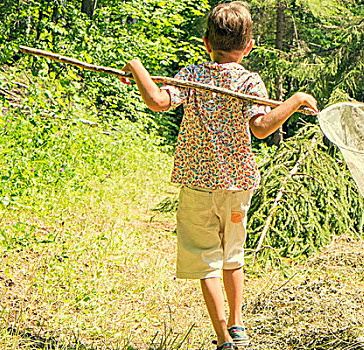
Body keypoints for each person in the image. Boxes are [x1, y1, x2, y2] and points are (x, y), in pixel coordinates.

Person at [119, 2, 318, 349]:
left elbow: (157, 101)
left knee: (206, 260)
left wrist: (137, 68)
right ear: (249, 46)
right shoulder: (250, 81)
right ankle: (238, 324)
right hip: (237, 186)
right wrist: (296, 100)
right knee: (232, 255)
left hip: (197, 186)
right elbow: (260, 128)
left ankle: (223, 337)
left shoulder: (191, 75)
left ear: (206, 44)